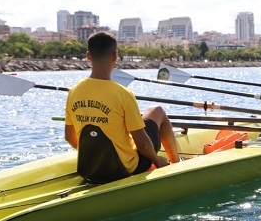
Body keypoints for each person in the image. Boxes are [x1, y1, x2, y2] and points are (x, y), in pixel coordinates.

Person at [64, 31, 180, 184]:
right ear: (114, 56)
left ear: (88, 56)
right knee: (156, 110)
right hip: (125, 169)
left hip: (91, 169)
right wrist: (157, 160)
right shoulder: (123, 94)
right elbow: (143, 144)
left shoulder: (73, 92)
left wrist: (96, 155)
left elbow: (69, 136)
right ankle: (177, 163)